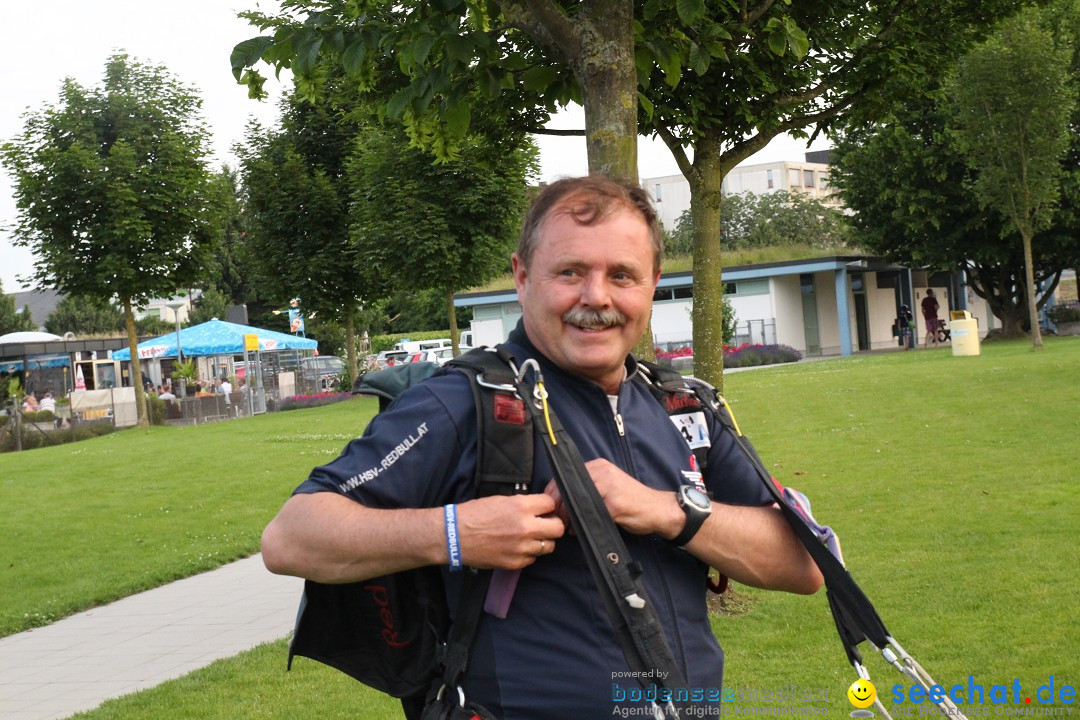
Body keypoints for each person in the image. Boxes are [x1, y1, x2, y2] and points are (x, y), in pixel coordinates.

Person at [260, 175, 823, 719]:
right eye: (570, 271)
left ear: (653, 283)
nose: (595, 297)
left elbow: (808, 566)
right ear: (522, 276)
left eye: (622, 275)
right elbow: (292, 537)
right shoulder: (465, 403)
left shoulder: (683, 405)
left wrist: (661, 510)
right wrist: (455, 533)